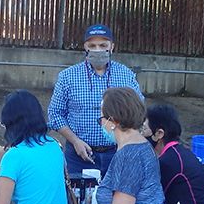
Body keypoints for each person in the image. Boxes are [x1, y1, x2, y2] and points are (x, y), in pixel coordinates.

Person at [48, 24, 144, 176]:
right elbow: (55, 114)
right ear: (85, 47)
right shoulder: (67, 77)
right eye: (92, 45)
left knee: (117, 198)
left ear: (112, 47)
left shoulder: (126, 75)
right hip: (78, 155)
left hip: (118, 153)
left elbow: (139, 112)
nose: (97, 50)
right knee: (77, 197)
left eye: (103, 45)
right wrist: (75, 141)